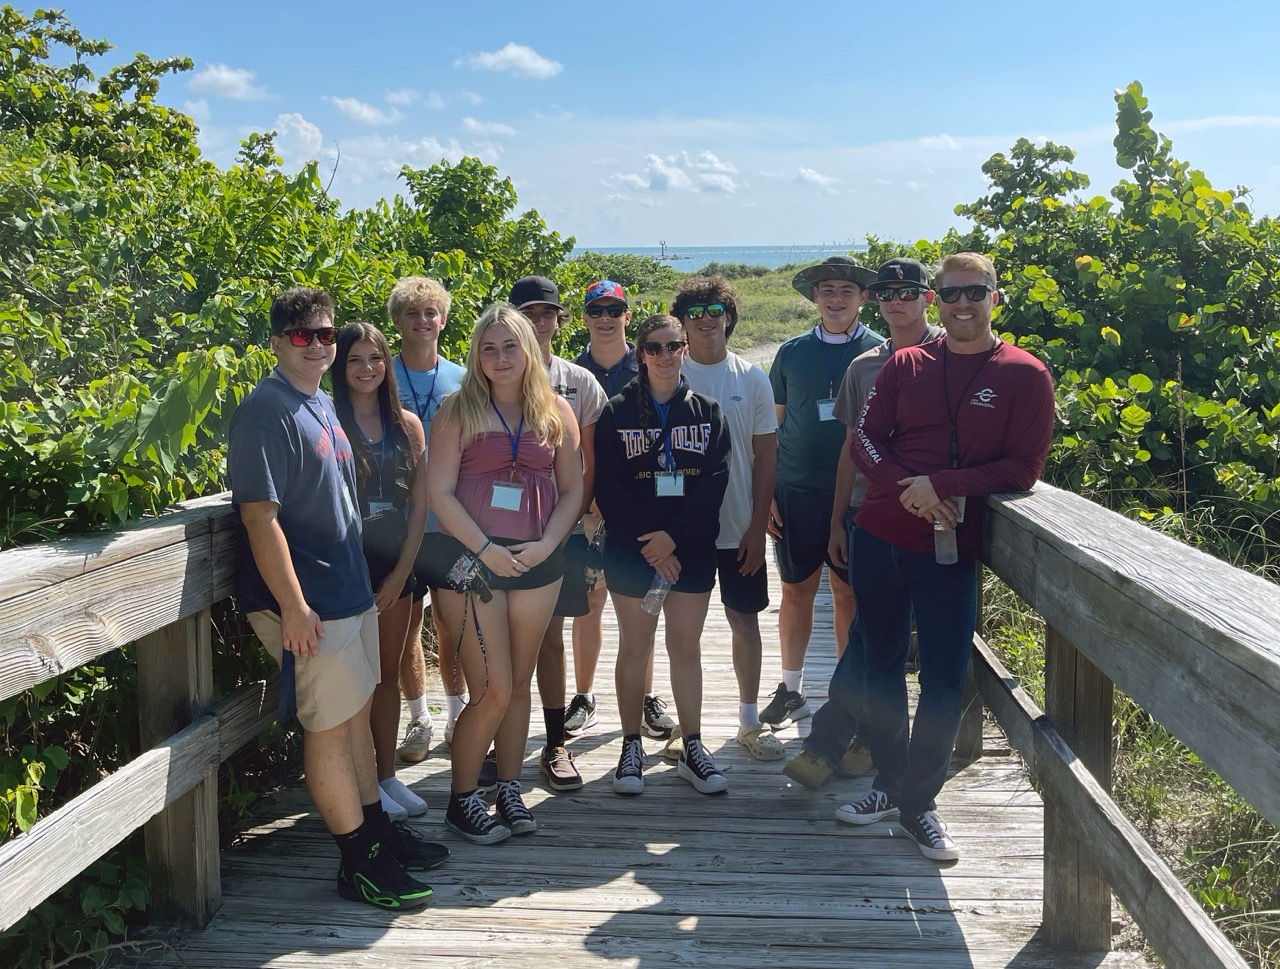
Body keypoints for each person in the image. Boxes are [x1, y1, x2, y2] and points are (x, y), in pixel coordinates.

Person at [229, 287, 446, 910]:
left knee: (353, 718)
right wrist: (294, 607)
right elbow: (259, 518)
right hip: (310, 604)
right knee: (328, 728)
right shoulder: (265, 411)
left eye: (325, 334)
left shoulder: (320, 401)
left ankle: (377, 831)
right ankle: (357, 862)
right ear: (277, 342)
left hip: (346, 592)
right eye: (303, 335)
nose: (317, 345)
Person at [834, 252, 1054, 861]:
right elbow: (864, 441)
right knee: (882, 666)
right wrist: (913, 489)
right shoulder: (905, 364)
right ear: (937, 299)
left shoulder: (1025, 374)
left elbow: (1025, 468)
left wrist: (944, 486)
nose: (962, 304)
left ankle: (920, 803)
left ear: (994, 298)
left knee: (943, 678)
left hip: (949, 550)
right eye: (951, 293)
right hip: (879, 536)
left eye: (974, 293)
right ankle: (887, 785)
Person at [783, 257, 944, 789]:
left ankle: (855, 745)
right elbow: (851, 449)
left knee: (887, 638)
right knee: (873, 632)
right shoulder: (864, 366)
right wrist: (836, 521)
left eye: (907, 291)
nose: (897, 301)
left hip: (934, 519)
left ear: (927, 297)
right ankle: (854, 742)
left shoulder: (954, 357)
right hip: (867, 514)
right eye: (888, 292)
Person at [425, 304, 583, 844]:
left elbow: (573, 490)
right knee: (491, 688)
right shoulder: (456, 409)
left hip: (538, 561)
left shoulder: (556, 410)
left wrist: (547, 545)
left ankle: (510, 788)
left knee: (518, 684)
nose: (500, 358)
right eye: (488, 349)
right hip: (473, 564)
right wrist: (486, 549)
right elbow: (439, 493)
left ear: (529, 349)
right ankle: (462, 798)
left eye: (510, 346)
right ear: (476, 355)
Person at [594, 313, 731, 796]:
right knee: (635, 647)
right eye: (654, 347)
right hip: (633, 551)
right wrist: (652, 544)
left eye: (673, 345)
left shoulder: (708, 412)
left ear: (685, 348)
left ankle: (692, 745)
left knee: (685, 648)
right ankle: (631, 746)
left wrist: (674, 538)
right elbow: (609, 488)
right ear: (641, 354)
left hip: (689, 550)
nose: (665, 355)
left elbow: (714, 483)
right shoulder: (616, 413)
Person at [761, 256, 884, 729]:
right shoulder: (791, 352)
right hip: (796, 489)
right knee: (796, 591)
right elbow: (771, 425)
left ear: (863, 297)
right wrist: (767, 491)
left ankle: (845, 699)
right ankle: (792, 690)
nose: (836, 299)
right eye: (827, 289)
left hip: (858, 496)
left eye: (846, 290)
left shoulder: (881, 352)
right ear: (814, 296)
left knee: (848, 595)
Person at [675, 275, 782, 761]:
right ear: (682, 323)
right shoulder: (670, 375)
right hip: (685, 532)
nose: (706, 320)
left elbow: (766, 459)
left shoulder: (751, 378)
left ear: (730, 317)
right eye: (695, 313)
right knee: (684, 631)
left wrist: (757, 530)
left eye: (715, 310)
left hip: (739, 528)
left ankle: (749, 719)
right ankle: (687, 727)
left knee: (744, 620)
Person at [508, 275, 608, 792]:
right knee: (498, 644)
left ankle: (554, 745)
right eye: (529, 314)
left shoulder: (578, 382)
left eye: (547, 313)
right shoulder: (488, 378)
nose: (539, 323)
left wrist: (579, 521)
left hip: (559, 532)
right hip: (499, 533)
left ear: (559, 320)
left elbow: (590, 458)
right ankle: (502, 742)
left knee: (550, 638)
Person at [331, 322, 432, 821]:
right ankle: (361, 780)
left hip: (397, 569)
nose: (367, 368)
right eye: (355, 359)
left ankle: (387, 776)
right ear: (339, 366)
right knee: (354, 680)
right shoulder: (328, 421)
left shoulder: (407, 425)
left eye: (375, 358)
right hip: (345, 570)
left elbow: (420, 505)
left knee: (386, 676)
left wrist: (401, 573)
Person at [568, 280, 677, 742]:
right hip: (589, 508)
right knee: (588, 602)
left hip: (641, 507)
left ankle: (648, 696)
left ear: (628, 316)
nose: (606, 318)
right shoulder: (573, 373)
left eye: (614, 310)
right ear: (585, 317)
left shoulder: (650, 361)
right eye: (597, 310)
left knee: (645, 604)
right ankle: (584, 696)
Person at [387, 277, 468, 760]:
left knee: (453, 622)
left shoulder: (463, 378)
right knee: (406, 626)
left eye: (430, 312)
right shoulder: (381, 376)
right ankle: (419, 719)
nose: (422, 321)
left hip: (452, 522)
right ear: (397, 321)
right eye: (412, 313)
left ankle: (458, 715)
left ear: (443, 320)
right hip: (399, 524)